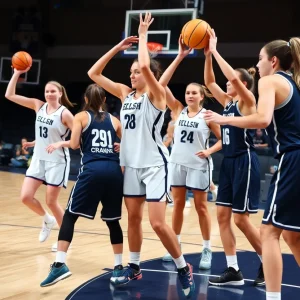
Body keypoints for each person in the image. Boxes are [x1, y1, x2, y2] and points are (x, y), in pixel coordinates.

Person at [87, 12, 195, 298]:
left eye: (137, 71)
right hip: (130, 165)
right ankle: (133, 266)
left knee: (158, 223)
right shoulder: (125, 93)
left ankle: (183, 267)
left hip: (155, 165)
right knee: (132, 219)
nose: (133, 74)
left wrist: (143, 34)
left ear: (149, 76)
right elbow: (93, 74)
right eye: (131, 72)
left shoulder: (157, 95)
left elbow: (149, 68)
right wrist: (117, 48)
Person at [204, 37, 300, 300]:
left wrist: (224, 119)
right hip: (293, 157)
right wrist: (210, 54)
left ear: (273, 61)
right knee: (292, 237)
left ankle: (272, 297)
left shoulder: (271, 81)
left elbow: (263, 118)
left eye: (260, 58)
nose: (257, 64)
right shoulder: (294, 83)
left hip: (290, 158)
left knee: (269, 231)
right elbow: (216, 82)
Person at [40, 84, 124, 286]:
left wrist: (63, 142)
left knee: (70, 215)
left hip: (92, 171)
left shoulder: (81, 117)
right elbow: (128, 146)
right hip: (113, 172)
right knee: (113, 221)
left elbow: (75, 144)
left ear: (86, 100)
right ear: (104, 100)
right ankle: (119, 267)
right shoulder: (115, 121)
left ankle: (60, 264)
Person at [203, 29, 264, 286]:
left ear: (243, 84)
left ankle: (267, 261)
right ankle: (233, 270)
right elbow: (209, 81)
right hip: (228, 163)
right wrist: (207, 55)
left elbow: (232, 79)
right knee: (223, 217)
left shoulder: (248, 100)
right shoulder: (227, 103)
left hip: (245, 161)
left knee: (241, 219)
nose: (227, 84)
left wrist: (216, 50)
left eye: (232, 82)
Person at [159, 37, 222, 270]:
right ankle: (174, 245)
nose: (190, 96)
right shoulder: (177, 110)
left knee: (201, 207)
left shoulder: (207, 115)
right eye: (187, 92)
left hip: (198, 166)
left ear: (202, 96)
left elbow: (223, 140)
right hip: (177, 163)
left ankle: (207, 248)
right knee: (176, 205)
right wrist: (180, 56)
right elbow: (161, 84)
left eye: (194, 93)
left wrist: (209, 150)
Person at [5, 68, 74, 251]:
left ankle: (64, 240)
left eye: (53, 91)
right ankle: (47, 219)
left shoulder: (65, 114)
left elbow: (78, 140)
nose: (49, 94)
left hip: (57, 161)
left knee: (52, 201)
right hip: (39, 158)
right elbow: (10, 94)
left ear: (60, 93)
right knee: (26, 197)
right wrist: (17, 73)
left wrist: (60, 144)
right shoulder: (38, 105)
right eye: (47, 91)